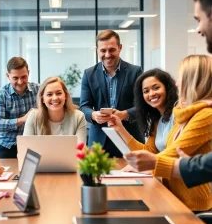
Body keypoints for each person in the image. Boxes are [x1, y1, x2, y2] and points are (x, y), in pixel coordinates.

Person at [124, 55, 212, 212]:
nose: (177, 83)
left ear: (194, 81)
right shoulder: (186, 114)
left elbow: (175, 153)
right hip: (175, 195)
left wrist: (146, 165)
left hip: (193, 203)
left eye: (181, 78)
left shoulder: (206, 115)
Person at [80, 29, 144, 157]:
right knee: (97, 177)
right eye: (103, 50)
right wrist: (94, 115)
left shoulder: (135, 72)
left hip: (130, 137)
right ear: (97, 50)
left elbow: (143, 105)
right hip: (99, 141)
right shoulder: (89, 74)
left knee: (134, 176)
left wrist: (124, 115)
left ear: (120, 48)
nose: (107, 54)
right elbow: (84, 106)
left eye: (112, 50)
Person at [108, 68, 177, 155]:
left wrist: (150, 164)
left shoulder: (178, 114)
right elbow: (149, 152)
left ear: (167, 88)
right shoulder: (157, 120)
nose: (151, 94)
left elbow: (173, 152)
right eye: (146, 91)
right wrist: (120, 128)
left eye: (156, 88)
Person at [0, 57, 39, 158]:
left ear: (28, 73)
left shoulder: (38, 90)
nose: (20, 81)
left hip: (31, 146)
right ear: (8, 76)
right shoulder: (0, 95)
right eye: (15, 78)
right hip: (5, 147)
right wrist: (23, 119)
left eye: (24, 77)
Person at [24, 77, 86, 143]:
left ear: (66, 96)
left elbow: (81, 149)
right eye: (49, 94)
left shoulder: (79, 116)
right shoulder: (33, 116)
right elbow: (26, 148)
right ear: (42, 99)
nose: (55, 98)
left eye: (58, 93)